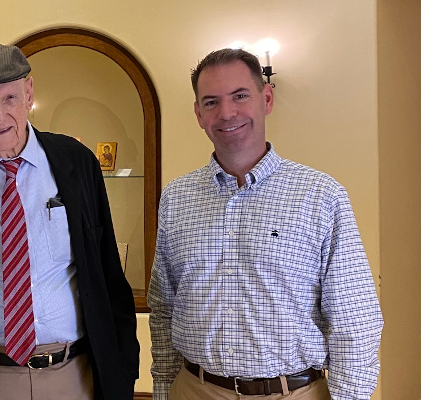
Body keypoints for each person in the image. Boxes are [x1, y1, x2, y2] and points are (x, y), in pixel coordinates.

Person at [148, 48, 383, 400]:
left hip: (293, 392)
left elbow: (355, 319)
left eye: (239, 96)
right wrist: (164, 389)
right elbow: (163, 309)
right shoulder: (176, 198)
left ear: (266, 98)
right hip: (194, 389)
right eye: (211, 102)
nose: (227, 113)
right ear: (198, 114)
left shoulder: (320, 196)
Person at [0, 42, 139, 400]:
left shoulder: (77, 162)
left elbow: (109, 274)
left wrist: (125, 369)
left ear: (29, 93)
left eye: (9, 99)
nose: (0, 117)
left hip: (77, 377)